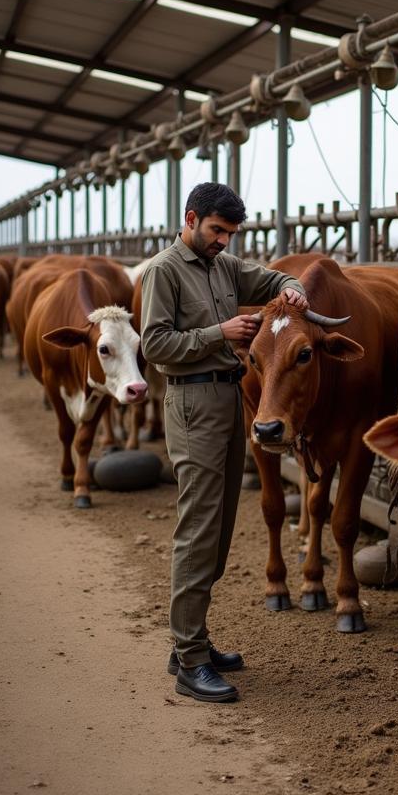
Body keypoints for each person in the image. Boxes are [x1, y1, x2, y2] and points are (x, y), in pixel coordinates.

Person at [139, 182, 307, 702]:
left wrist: (295, 286)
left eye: (231, 234)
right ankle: (190, 662)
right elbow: (154, 343)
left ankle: (192, 642)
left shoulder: (224, 266)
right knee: (197, 530)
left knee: (222, 526)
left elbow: (276, 276)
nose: (224, 242)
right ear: (191, 220)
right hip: (191, 404)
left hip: (230, 401)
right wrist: (221, 332)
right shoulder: (163, 271)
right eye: (216, 231)